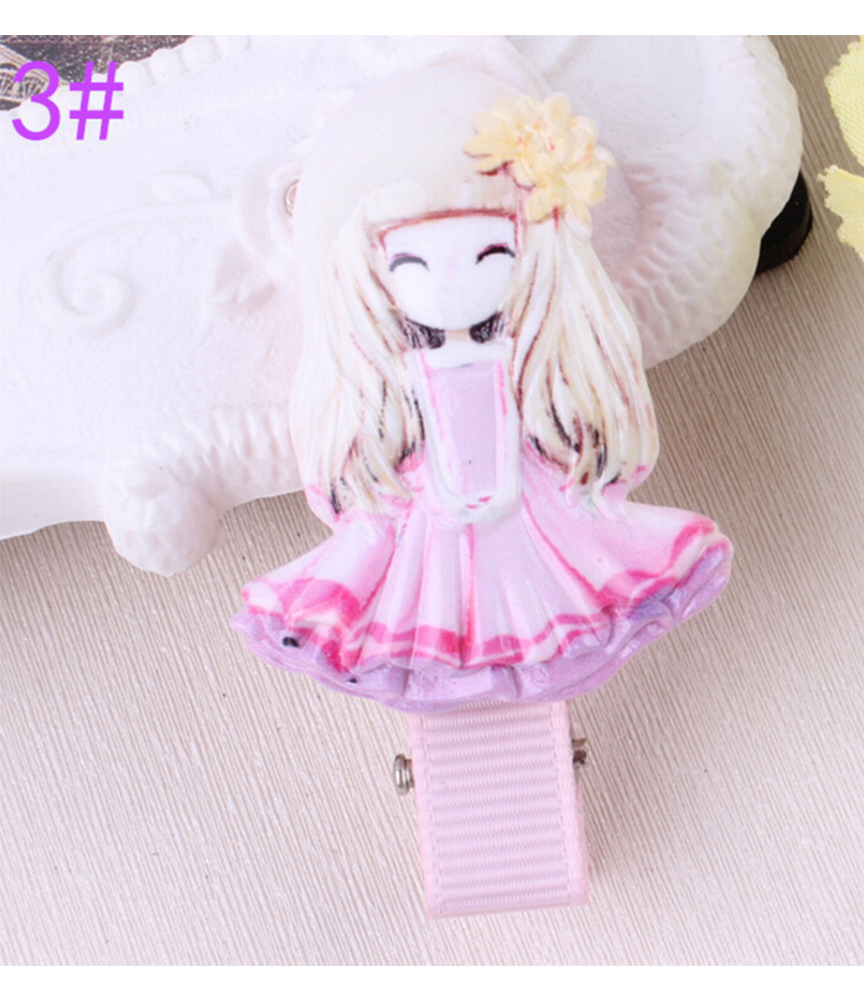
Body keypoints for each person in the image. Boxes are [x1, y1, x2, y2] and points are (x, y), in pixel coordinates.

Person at [231, 69, 732, 713]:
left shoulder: (533, 356)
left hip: (530, 509)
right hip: (428, 518)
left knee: (539, 586)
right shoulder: (387, 379)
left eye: (490, 257)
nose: (449, 287)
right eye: (412, 265)